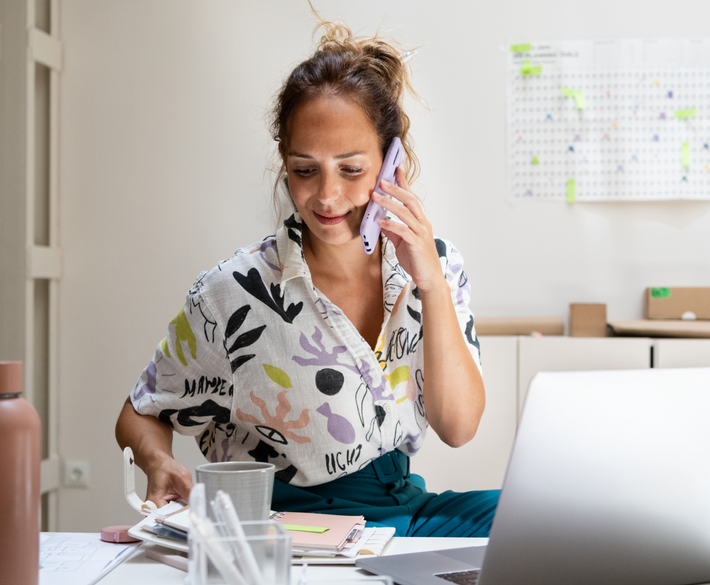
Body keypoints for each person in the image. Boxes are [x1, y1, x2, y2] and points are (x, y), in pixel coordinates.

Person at [116, 16, 499, 537]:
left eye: (351, 169)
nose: (325, 195)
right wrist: (157, 462)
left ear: (392, 163)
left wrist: (429, 284)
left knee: (544, 521)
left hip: (400, 509)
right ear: (284, 163)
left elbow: (459, 428)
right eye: (304, 169)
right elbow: (141, 411)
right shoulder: (235, 291)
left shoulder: (438, 265)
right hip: (288, 526)